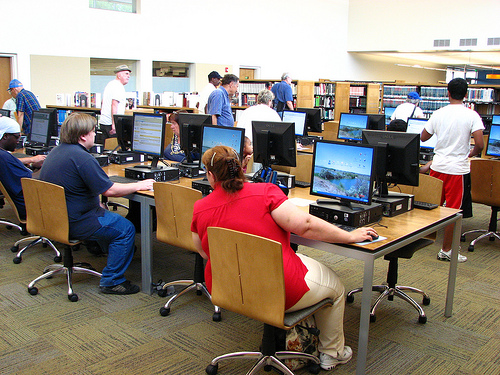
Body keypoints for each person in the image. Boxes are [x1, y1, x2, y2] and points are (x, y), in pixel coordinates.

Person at [191, 145, 378, 371]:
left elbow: (203, 251)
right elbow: (305, 226)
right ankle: (333, 353)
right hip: (278, 292)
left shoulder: (200, 209)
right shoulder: (265, 192)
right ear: (243, 167)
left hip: (230, 290)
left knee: (301, 262)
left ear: (210, 176)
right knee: (337, 287)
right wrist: (349, 236)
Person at [39, 112, 155, 294]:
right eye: (94, 131)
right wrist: (140, 185)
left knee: (105, 211)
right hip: (76, 221)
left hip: (54, 218)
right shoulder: (82, 157)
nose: (96, 135)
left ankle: (107, 251)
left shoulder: (56, 151)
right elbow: (109, 191)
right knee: (126, 229)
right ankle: (112, 280)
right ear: (83, 135)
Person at [421, 78, 484, 263]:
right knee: (453, 211)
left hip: (438, 166)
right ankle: (447, 250)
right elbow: (480, 143)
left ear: (447, 93)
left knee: (433, 207)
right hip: (457, 169)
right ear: (466, 95)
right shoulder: (471, 115)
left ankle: (422, 241)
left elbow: (424, 137)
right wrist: (471, 153)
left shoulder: (438, 113)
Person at [0, 117, 45, 220]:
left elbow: (17, 172)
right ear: (5, 136)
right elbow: (30, 180)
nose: (18, 141)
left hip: (23, 200)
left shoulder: (4, 155)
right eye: (16, 137)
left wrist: (33, 166)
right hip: (29, 205)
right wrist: (48, 165)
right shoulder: (4, 158)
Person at [98, 64, 131, 142]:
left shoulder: (110, 84)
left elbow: (103, 102)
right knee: (115, 148)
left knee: (105, 148)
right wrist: (114, 124)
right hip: (111, 124)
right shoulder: (118, 86)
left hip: (104, 122)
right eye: (126, 74)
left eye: (129, 74)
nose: (128, 76)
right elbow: (114, 105)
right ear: (119, 75)